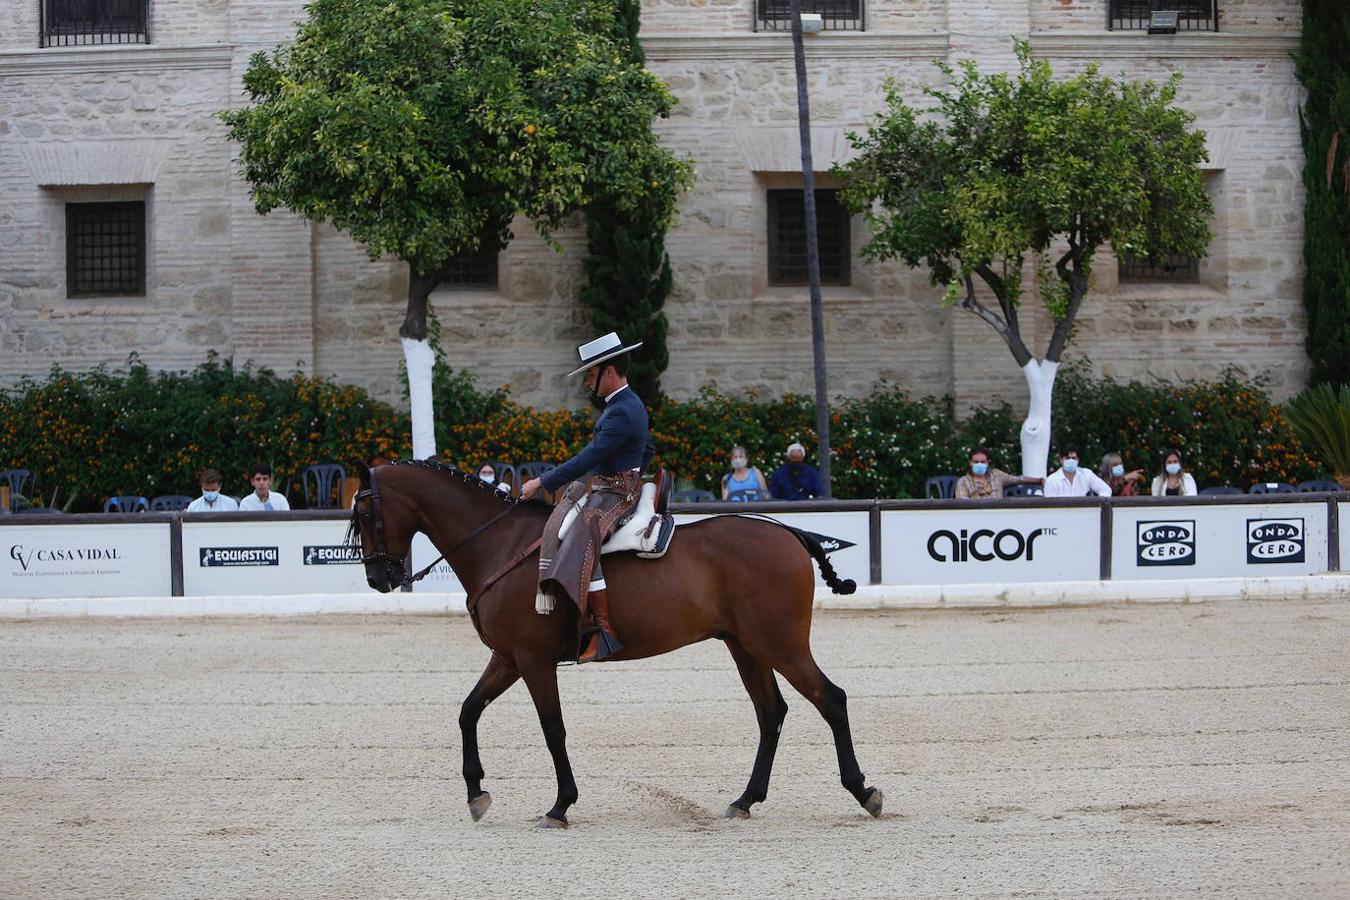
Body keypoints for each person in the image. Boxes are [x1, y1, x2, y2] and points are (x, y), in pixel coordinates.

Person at [519, 332, 654, 663]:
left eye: (591, 375)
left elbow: (590, 456)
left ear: (609, 372)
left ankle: (604, 631)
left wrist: (543, 481)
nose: (587, 382)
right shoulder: (623, 404)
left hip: (617, 492)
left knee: (583, 537)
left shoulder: (621, 410)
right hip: (612, 484)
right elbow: (646, 448)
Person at [954, 448, 1042, 499]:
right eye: (976, 462)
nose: (979, 464)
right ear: (970, 463)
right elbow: (962, 504)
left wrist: (1039, 480)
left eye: (982, 461)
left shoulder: (997, 475)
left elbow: (1018, 479)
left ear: (988, 462)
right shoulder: (963, 481)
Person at [1043, 447, 1111, 498]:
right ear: (1061, 460)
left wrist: (1096, 504)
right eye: (1067, 458)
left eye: (1073, 458)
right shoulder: (1051, 480)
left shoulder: (1086, 474)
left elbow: (1106, 490)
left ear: (1078, 460)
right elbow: (1050, 506)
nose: (1071, 460)